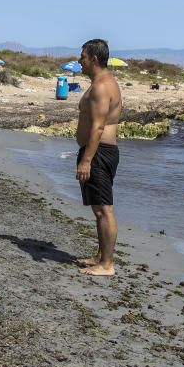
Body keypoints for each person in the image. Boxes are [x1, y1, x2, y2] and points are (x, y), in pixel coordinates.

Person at [74, 38, 121, 277]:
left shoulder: (102, 85)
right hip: (98, 152)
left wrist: (86, 160)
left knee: (104, 209)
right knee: (98, 208)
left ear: (93, 58)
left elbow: (98, 127)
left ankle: (107, 265)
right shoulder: (101, 82)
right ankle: (101, 256)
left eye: (82, 57)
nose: (79, 61)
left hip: (99, 152)